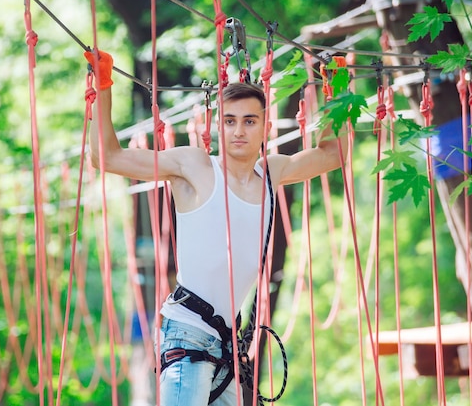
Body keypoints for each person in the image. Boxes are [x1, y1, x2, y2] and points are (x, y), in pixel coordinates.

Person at [84, 50, 348, 406]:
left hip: (226, 343)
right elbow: (107, 158)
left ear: (265, 126)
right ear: (217, 125)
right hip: (188, 335)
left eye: (250, 121)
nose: (239, 130)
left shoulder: (272, 173)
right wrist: (103, 86)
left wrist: (336, 85)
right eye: (229, 121)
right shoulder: (194, 166)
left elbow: (333, 153)